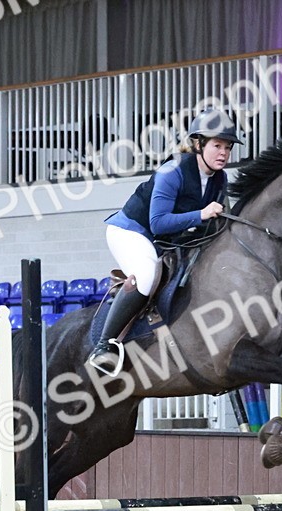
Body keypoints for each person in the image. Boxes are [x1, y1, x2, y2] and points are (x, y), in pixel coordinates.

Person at [88, 108, 243, 375]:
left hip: (165, 240)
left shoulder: (220, 178)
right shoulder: (173, 171)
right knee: (147, 274)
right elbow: (158, 222)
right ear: (198, 144)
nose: (224, 153)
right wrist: (201, 214)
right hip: (132, 232)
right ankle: (104, 345)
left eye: (228, 147)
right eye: (217, 145)